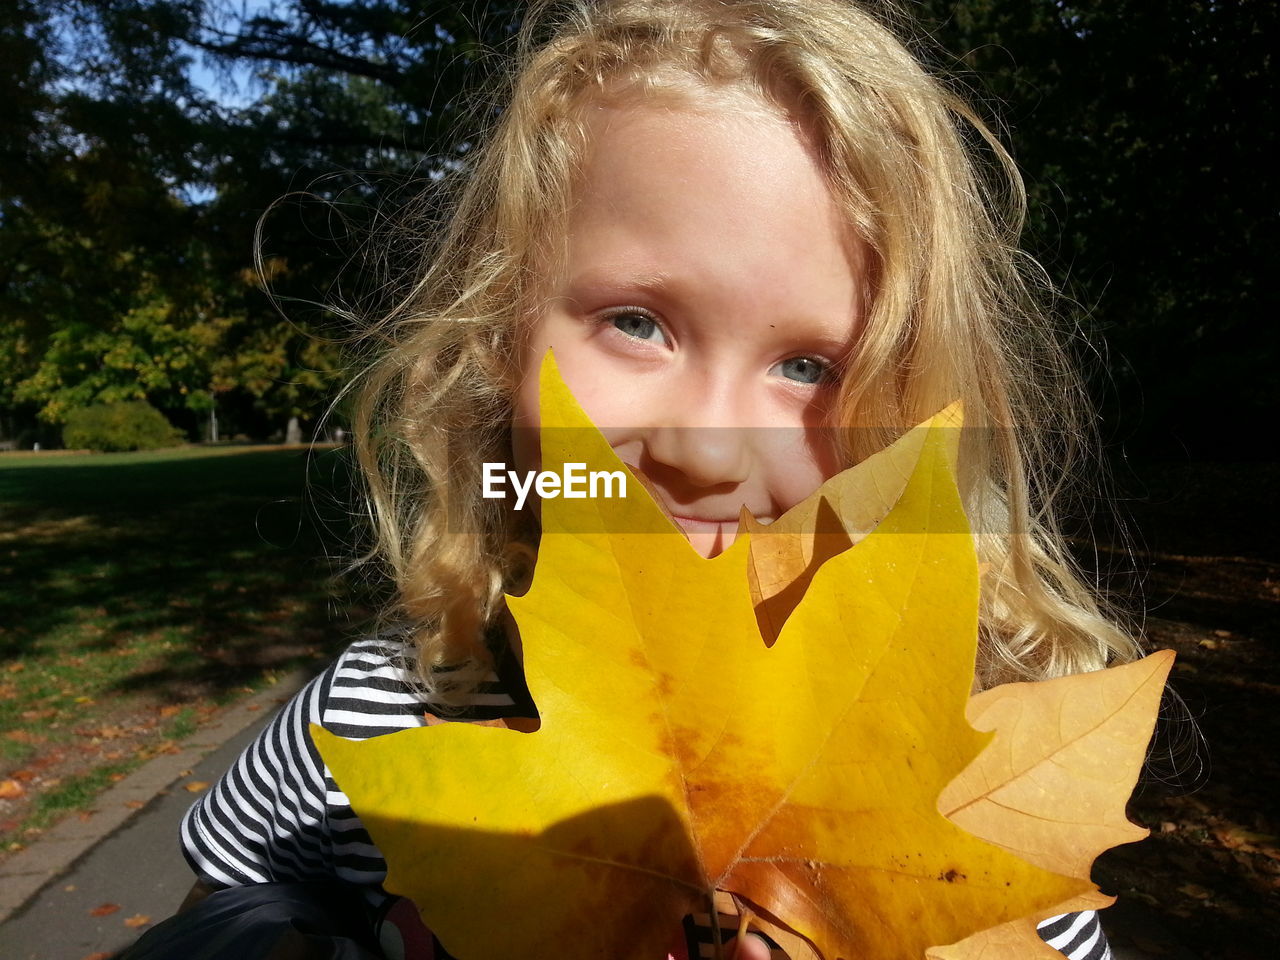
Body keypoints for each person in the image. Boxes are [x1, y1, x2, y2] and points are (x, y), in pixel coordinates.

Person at [167, 1, 1141, 958]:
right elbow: (235, 889)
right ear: (500, 340)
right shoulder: (370, 724)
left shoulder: (978, 795)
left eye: (809, 366)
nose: (705, 453)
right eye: (636, 323)